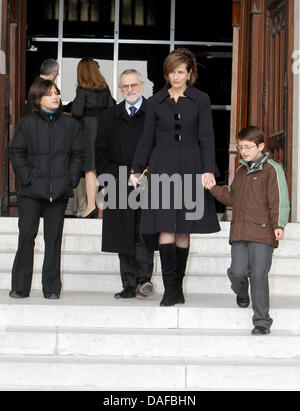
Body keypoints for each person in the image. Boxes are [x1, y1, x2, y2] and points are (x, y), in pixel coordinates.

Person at [130, 48, 220, 307]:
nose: (176, 76)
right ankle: (170, 289)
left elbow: (207, 137)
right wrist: (136, 169)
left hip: (192, 167)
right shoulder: (156, 101)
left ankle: (177, 287)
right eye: (172, 71)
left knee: (183, 231)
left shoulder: (201, 100)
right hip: (162, 167)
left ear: (189, 73)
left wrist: (208, 170)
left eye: (181, 71)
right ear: (167, 73)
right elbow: (147, 139)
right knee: (165, 227)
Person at [207, 126, 290, 335]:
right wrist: (212, 188)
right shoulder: (241, 170)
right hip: (240, 232)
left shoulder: (272, 169)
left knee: (259, 275)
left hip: (263, 232)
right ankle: (242, 293)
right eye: (241, 146)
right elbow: (232, 197)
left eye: (248, 147)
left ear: (260, 146)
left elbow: (279, 200)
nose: (243, 151)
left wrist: (278, 225)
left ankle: (262, 321)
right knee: (237, 272)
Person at [9, 79, 83, 299]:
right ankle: (20, 287)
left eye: (57, 93)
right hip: (31, 191)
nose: (55, 97)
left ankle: (51, 288)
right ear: (37, 97)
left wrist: (70, 179)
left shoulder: (70, 125)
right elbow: (16, 153)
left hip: (58, 192)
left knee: (54, 240)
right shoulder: (27, 123)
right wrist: (27, 177)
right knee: (26, 237)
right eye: (50, 93)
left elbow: (78, 154)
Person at [95, 69, 155, 299]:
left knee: (144, 233)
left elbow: (161, 149)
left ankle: (144, 280)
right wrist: (121, 175)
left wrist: (144, 173)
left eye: (133, 85)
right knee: (123, 234)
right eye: (125, 86)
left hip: (149, 182)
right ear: (120, 89)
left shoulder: (154, 114)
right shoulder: (109, 116)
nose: (129, 89)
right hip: (118, 182)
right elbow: (100, 153)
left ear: (141, 86)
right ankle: (129, 284)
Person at [72, 57, 115, 218]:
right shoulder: (105, 88)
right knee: (103, 168)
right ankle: (102, 208)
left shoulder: (82, 90)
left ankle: (90, 207)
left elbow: (76, 111)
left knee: (91, 169)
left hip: (89, 131)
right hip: (105, 129)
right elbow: (112, 108)